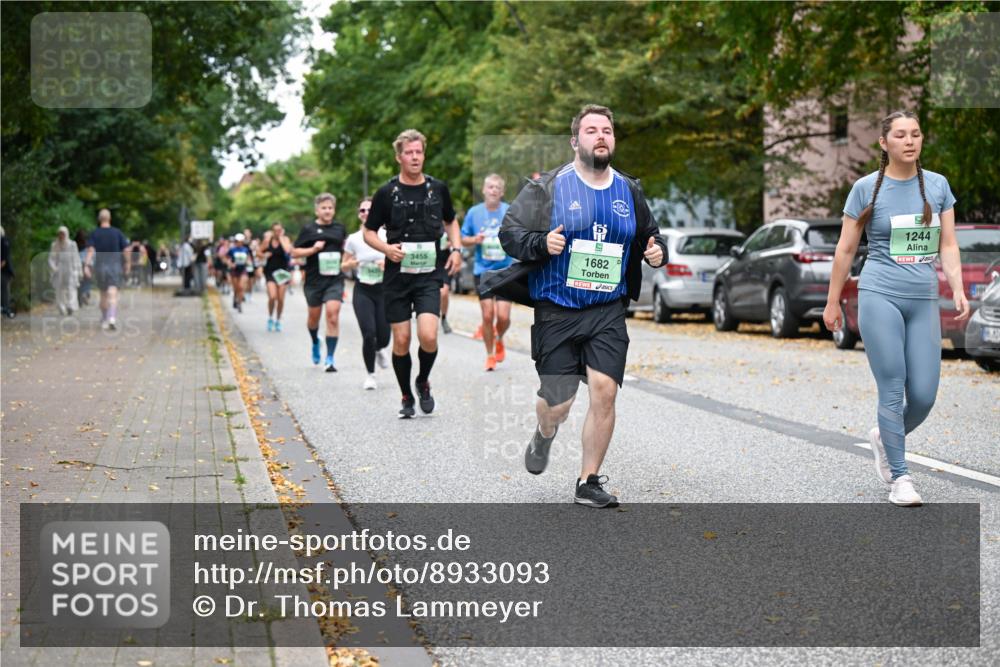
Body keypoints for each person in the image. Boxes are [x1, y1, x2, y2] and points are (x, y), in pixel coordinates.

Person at [484, 104, 667, 508]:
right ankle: (544, 432)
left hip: (607, 309)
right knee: (559, 403)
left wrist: (657, 253)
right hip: (557, 308)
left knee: (604, 391)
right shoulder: (547, 188)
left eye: (606, 130)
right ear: (575, 141)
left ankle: (588, 481)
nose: (600, 136)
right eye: (591, 130)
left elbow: (652, 237)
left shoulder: (629, 190)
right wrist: (540, 243)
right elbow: (510, 234)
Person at [823, 110, 968, 507]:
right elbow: (846, 248)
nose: (910, 141)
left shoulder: (938, 186)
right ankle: (900, 478)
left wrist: (957, 287)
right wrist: (833, 300)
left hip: (922, 299)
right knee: (892, 386)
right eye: (900, 135)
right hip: (879, 293)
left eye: (916, 134)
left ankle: (884, 436)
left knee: (922, 395)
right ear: (884, 143)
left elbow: (949, 244)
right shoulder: (866, 189)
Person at [363, 129, 463, 418]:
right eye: (409, 152)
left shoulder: (437, 189)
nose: (415, 156)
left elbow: (451, 222)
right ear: (399, 157)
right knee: (403, 340)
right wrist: (386, 249)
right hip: (397, 275)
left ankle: (423, 380)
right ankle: (406, 394)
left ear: (424, 154)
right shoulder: (386, 193)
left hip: (429, 274)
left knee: (429, 336)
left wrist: (455, 250)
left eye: (419, 151)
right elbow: (368, 231)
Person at [462, 174, 514, 371]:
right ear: (484, 190)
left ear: (501, 192)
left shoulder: (509, 212)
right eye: (490, 187)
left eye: (497, 188)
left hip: (505, 270)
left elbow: (519, 236)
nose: (493, 190)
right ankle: (490, 355)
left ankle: (499, 337)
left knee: (503, 316)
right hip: (482, 271)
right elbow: (462, 238)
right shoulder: (474, 213)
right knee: (487, 315)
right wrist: (475, 239)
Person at [292, 193, 348, 371]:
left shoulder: (340, 228)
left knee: (332, 315)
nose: (327, 211)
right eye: (324, 208)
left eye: (330, 208)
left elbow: (346, 249)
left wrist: (348, 261)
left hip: (334, 279)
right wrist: (313, 249)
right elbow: (294, 252)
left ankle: (330, 358)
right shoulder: (308, 229)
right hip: (314, 281)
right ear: (317, 210)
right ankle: (315, 340)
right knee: (313, 319)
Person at [343, 198, 391, 390]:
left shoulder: (387, 235)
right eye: (362, 210)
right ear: (359, 215)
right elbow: (343, 264)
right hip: (363, 289)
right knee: (368, 333)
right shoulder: (353, 239)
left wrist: (387, 264)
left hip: (384, 290)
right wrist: (351, 264)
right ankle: (370, 374)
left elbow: (400, 259)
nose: (365, 213)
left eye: (369, 210)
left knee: (385, 336)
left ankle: (380, 348)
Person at [85, 208, 131, 330]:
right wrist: (128, 263)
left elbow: (90, 250)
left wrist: (86, 265)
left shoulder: (95, 233)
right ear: (109, 218)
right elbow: (126, 250)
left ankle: (105, 319)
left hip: (100, 267)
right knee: (113, 293)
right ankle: (112, 318)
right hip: (114, 266)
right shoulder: (117, 233)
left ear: (99, 219)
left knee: (103, 295)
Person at [259, 222, 293, 332]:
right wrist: (264, 255)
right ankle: (270, 318)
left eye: (279, 230)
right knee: (272, 297)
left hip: (282, 273)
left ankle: (278, 320)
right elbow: (258, 252)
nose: (277, 232)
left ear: (282, 230)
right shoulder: (267, 241)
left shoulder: (285, 240)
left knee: (281, 299)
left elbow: (288, 251)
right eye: (275, 230)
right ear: (272, 231)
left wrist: (281, 239)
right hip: (270, 272)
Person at [48, 226, 82, 315]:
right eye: (60, 234)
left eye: (63, 234)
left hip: (70, 268)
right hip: (59, 269)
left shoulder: (72, 244)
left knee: (72, 288)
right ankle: (61, 307)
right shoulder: (55, 245)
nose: (61, 236)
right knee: (59, 290)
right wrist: (54, 268)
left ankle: (71, 306)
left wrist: (78, 270)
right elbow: (51, 258)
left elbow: (76, 257)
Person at [226, 233, 252, 311]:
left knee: (241, 287)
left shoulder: (246, 249)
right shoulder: (232, 250)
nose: (239, 242)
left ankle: (239, 303)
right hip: (234, 270)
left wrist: (248, 262)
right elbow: (227, 259)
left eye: (240, 241)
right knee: (236, 288)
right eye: (237, 241)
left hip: (243, 269)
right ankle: (235, 298)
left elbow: (248, 258)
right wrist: (231, 264)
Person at [75, 229, 92, 306]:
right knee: (87, 281)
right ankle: (86, 293)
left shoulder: (75, 244)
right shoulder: (88, 244)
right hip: (87, 264)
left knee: (80, 282)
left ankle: (80, 298)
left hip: (78, 264)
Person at [0, 226, 12, 318]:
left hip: (4, 271)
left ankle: (6, 310)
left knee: (4, 291)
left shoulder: (4, 242)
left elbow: (3, 260)